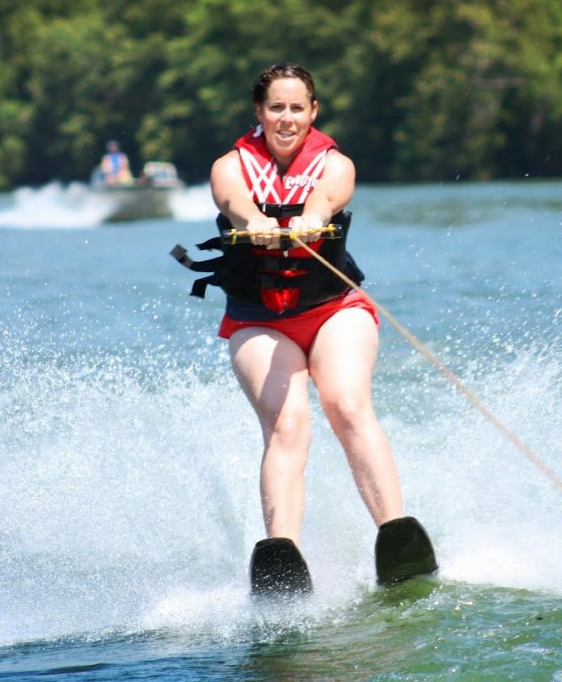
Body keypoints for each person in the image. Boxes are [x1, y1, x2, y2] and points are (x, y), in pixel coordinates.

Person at [174, 63, 435, 584]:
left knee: (346, 403)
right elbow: (234, 202)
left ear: (313, 112)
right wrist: (256, 223)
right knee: (288, 424)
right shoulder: (231, 166)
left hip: (335, 309)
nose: (286, 119)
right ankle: (281, 554)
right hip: (258, 320)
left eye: (297, 108)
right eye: (276, 108)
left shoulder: (336, 165)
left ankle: (395, 534)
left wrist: (312, 219)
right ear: (259, 112)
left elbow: (327, 197)